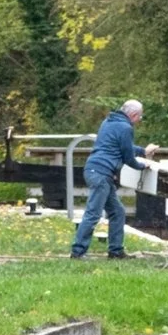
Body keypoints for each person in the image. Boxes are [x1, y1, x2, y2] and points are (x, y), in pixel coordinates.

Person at [70, 99, 158, 259]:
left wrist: (143, 151)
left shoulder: (108, 122)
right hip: (101, 173)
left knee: (117, 211)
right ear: (133, 114)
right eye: (140, 117)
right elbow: (128, 157)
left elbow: (123, 147)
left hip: (94, 169)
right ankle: (77, 252)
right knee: (93, 213)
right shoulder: (126, 128)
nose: (139, 120)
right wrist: (143, 166)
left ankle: (116, 251)